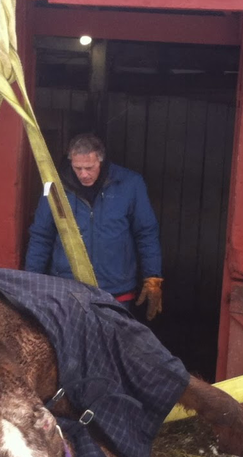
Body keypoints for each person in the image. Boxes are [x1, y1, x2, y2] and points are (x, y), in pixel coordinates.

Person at [25, 133, 164, 320]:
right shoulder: (55, 186)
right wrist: (30, 281)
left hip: (116, 289)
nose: (83, 174)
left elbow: (146, 232)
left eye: (89, 168)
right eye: (78, 168)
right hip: (67, 288)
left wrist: (152, 276)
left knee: (113, 345)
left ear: (101, 161)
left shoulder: (130, 184)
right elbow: (41, 235)